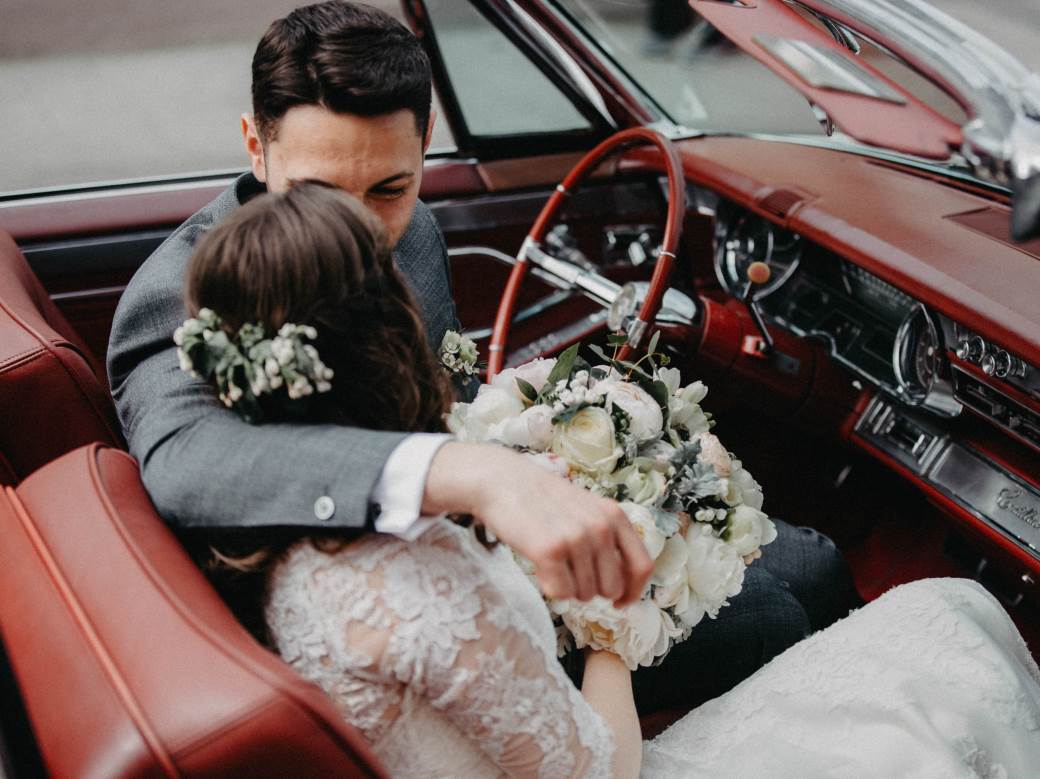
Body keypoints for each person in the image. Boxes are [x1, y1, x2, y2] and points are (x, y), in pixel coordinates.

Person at [106, 0, 859, 714]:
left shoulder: (417, 234)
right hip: (401, 610)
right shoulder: (180, 294)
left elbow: (454, 401)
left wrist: (587, 448)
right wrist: (470, 475)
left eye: (390, 188)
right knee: (776, 613)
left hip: (487, 539)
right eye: (320, 192)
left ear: (425, 139)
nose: (364, 233)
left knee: (814, 559)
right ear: (255, 145)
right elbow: (188, 461)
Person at [185, 182, 1040, 779]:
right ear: (389, 342)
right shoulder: (436, 599)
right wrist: (617, 621)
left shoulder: (281, 523)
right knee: (947, 616)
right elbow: (603, 768)